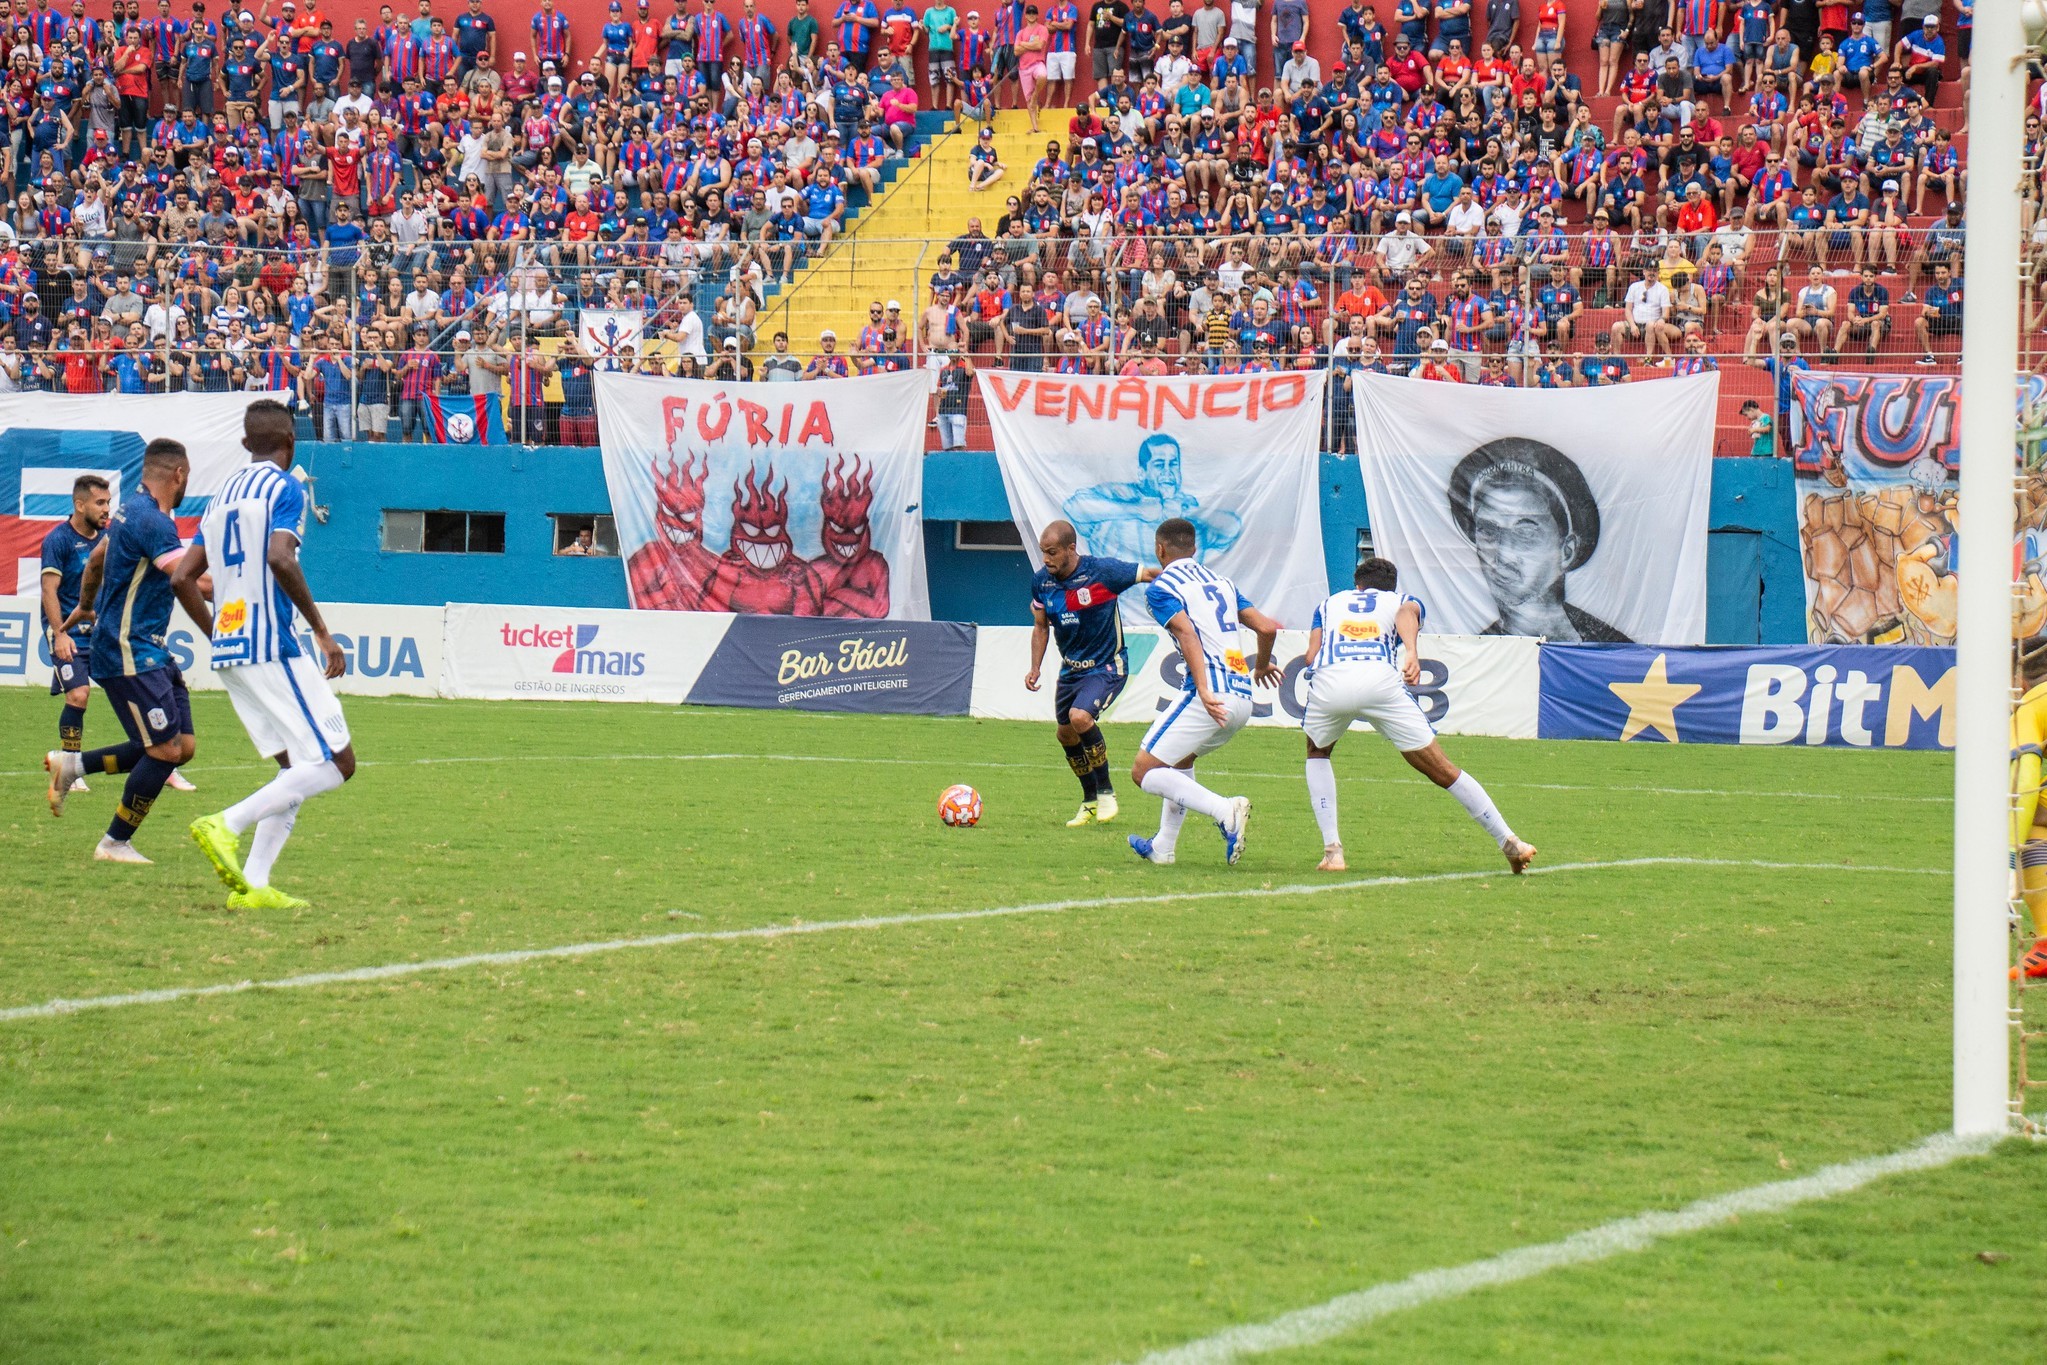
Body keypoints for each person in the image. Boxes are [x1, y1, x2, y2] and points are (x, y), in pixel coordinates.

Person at [178, 399, 356, 910]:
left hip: (232, 649)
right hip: (272, 643)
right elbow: (281, 555)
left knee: (296, 767)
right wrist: (322, 631)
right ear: (291, 443)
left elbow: (181, 578)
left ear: (243, 444)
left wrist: (218, 635)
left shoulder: (218, 498)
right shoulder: (285, 487)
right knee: (337, 763)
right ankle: (225, 823)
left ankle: (255, 884)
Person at [1300, 557, 1535, 874]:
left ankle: (1333, 853)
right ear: (1391, 587)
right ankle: (1510, 842)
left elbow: (1311, 656)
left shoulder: (1328, 604)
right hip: (1379, 682)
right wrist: (1411, 651)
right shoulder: (1401, 600)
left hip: (1331, 682)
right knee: (1443, 769)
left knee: (1318, 751)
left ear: (1357, 585)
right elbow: (1407, 613)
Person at [44, 439, 200, 863]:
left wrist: (87, 604)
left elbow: (95, 560)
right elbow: (188, 581)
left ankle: (72, 766)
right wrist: (247, 582)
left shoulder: (130, 512)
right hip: (129, 652)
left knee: (181, 747)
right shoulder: (153, 522)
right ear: (179, 475)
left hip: (150, 648)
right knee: (163, 750)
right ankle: (114, 843)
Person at [1126, 517, 1283, 867]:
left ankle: (1225, 810)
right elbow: (1266, 627)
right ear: (1194, 549)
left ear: (1159, 549)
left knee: (1144, 772)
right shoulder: (1223, 582)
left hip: (1209, 693)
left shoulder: (1162, 586)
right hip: (1242, 695)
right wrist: (1260, 666)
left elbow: (1187, 634)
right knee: (1180, 761)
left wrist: (1201, 687)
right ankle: (1163, 847)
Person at [1025, 518, 1160, 827]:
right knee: (1065, 733)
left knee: (1080, 718)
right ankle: (1089, 802)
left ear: (1071, 548)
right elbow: (1040, 625)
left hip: (1108, 666)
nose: (1046, 559)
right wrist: (1034, 666)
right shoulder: (1041, 582)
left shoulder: (1103, 572)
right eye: (1043, 552)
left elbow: (1150, 574)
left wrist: (1185, 587)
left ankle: (1107, 792)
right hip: (1071, 669)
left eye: (1052, 552)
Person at [1450, 437, 1631, 642]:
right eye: (1489, 532)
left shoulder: (1613, 651)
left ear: (1566, 551)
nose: (1503, 554)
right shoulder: (1472, 656)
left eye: (1524, 533)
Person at [40, 475, 112, 797]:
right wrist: (59, 634)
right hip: (67, 633)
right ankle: (70, 765)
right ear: (79, 504)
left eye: (108, 502)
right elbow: (48, 590)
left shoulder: (109, 538)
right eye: (100, 502)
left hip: (102, 632)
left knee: (131, 687)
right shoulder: (58, 540)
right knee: (79, 695)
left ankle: (158, 758)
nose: (106, 509)